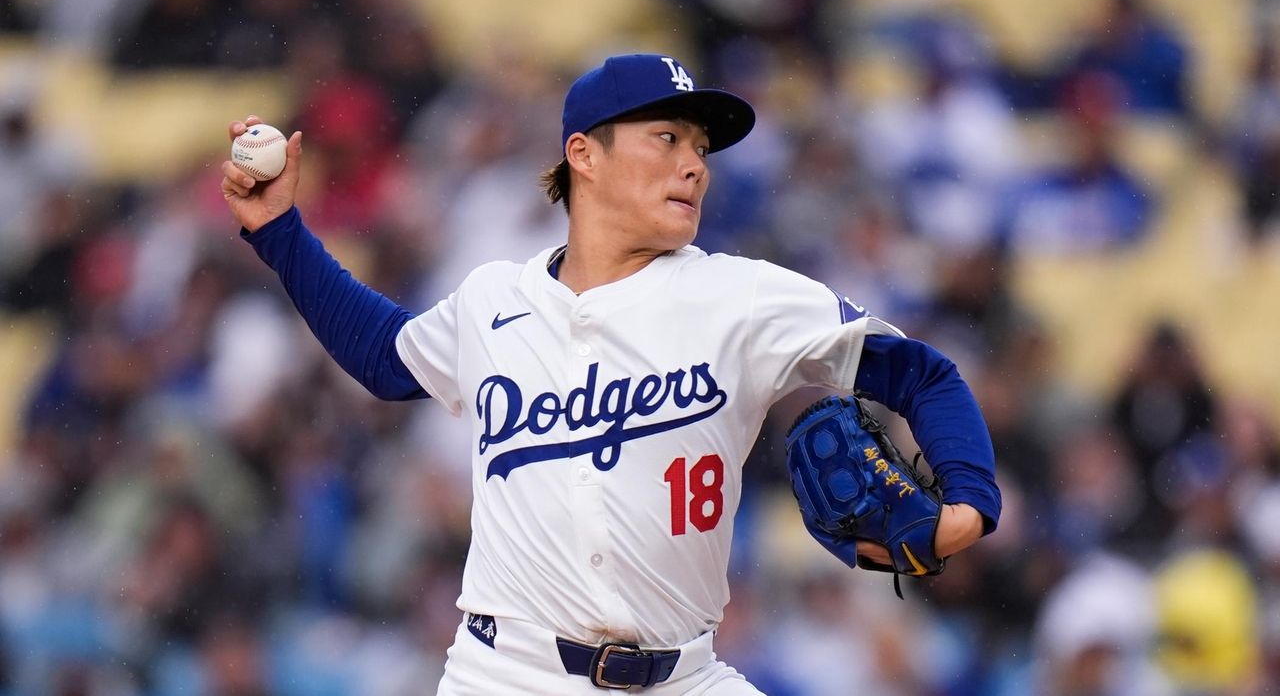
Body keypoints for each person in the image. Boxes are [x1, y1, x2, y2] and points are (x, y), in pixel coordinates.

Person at [219, 53, 1002, 695]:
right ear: (583, 154)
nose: (694, 165)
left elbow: (924, 377)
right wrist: (280, 230)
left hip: (686, 677)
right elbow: (386, 358)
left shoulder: (742, 295)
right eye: (667, 138)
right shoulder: (496, 298)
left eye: (701, 149)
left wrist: (969, 500)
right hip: (508, 675)